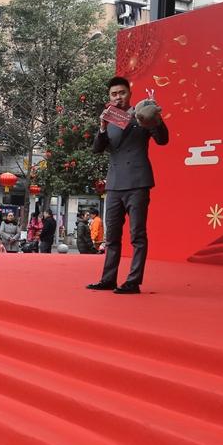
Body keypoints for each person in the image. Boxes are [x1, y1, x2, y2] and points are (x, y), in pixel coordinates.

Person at [87, 76, 169, 294]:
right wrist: (102, 127)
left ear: (129, 94)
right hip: (113, 185)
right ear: (109, 97)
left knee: (137, 235)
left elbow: (163, 140)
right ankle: (108, 279)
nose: (118, 97)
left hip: (137, 183)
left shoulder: (142, 113)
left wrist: (156, 119)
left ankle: (133, 281)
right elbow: (96, 148)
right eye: (114, 94)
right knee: (112, 236)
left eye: (121, 93)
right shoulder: (109, 120)